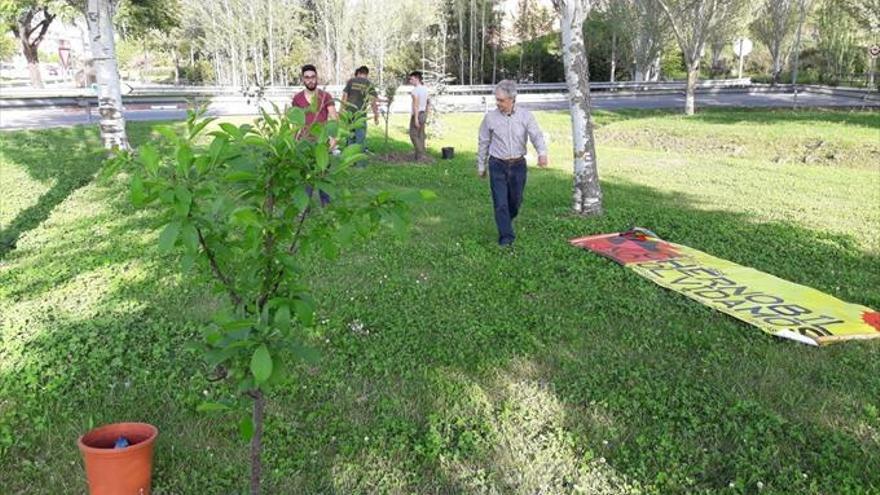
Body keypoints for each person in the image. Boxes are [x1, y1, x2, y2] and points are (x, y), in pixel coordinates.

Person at [476, 80, 548, 247]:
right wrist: (481, 166)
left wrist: (542, 153)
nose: (498, 103)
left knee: (515, 201)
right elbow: (483, 142)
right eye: (497, 99)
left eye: (501, 100)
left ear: (512, 99)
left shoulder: (525, 116)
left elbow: (536, 135)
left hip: (518, 165)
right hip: (497, 165)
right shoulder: (490, 118)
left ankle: (506, 219)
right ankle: (506, 238)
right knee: (500, 203)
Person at [292, 64, 337, 205]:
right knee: (307, 175)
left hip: (322, 142)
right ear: (303, 79)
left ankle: (327, 205)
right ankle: (305, 206)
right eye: (307, 77)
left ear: (316, 78)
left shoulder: (325, 96)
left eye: (313, 77)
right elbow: (295, 123)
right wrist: (295, 141)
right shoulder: (297, 99)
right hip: (305, 142)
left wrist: (333, 138)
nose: (310, 80)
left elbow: (334, 118)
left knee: (323, 174)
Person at [341, 65, 380, 153]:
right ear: (366, 74)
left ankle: (349, 158)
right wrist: (376, 116)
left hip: (349, 114)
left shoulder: (351, 81)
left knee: (350, 135)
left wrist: (341, 111)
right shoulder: (368, 83)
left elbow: (344, 96)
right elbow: (373, 101)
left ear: (358, 73)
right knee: (360, 137)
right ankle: (359, 162)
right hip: (361, 115)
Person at [408, 71, 429, 161]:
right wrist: (427, 113)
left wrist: (416, 118)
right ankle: (419, 157)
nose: (410, 81)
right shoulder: (425, 89)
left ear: (417, 79)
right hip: (423, 113)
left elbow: (416, 105)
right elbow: (428, 102)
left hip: (417, 114)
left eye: (412, 79)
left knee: (413, 135)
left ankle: (421, 153)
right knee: (421, 134)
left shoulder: (415, 91)